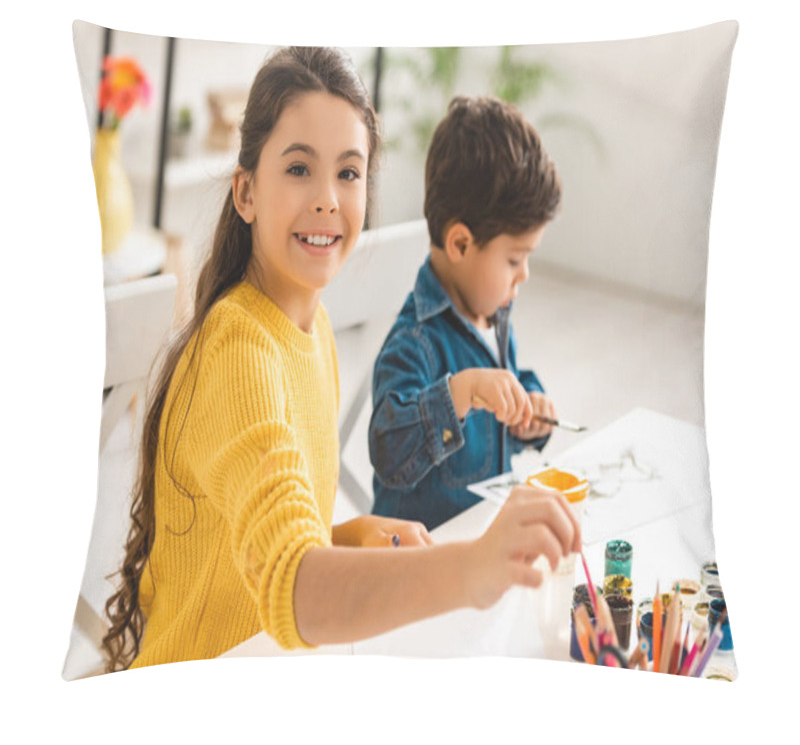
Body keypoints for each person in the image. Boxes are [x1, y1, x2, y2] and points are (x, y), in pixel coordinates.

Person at [102, 48, 580, 672]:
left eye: (349, 173)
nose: (328, 198)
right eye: (299, 168)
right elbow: (294, 588)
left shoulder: (311, 327)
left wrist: (347, 535)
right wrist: (472, 567)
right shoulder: (238, 352)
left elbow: (269, 544)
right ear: (245, 192)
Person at [369, 95, 563, 530]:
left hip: (479, 549)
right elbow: (389, 451)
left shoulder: (493, 318)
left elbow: (502, 399)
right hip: (419, 570)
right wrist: (462, 391)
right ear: (460, 244)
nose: (524, 275)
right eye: (514, 260)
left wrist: (526, 406)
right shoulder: (414, 342)